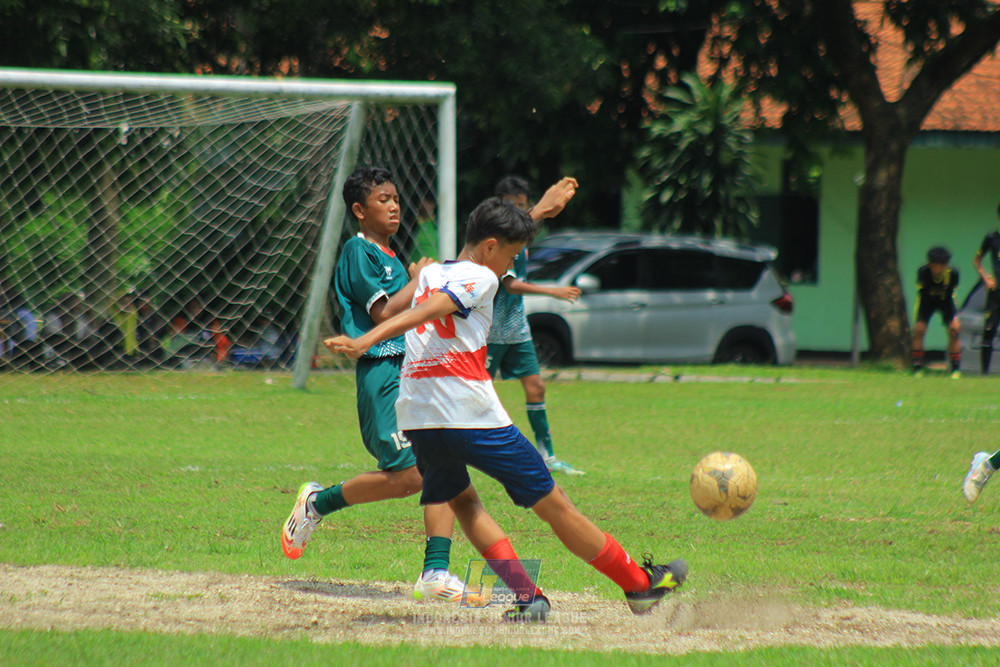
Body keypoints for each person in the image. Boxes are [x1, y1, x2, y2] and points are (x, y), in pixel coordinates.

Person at [325, 197, 687, 621]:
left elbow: (439, 286)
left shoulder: (431, 272)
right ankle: (639, 585)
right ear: (491, 247)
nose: (508, 268)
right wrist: (368, 340)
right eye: (511, 257)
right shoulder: (482, 276)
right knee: (556, 505)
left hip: (420, 419)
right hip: (470, 416)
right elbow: (436, 307)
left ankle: (526, 596)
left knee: (465, 502)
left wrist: (537, 212)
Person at [281, 166, 464, 602]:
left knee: (441, 465)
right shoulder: (358, 252)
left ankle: (436, 572)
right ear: (360, 211)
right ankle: (317, 504)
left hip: (413, 371)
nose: (395, 205)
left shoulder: (393, 258)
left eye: (396, 198)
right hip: (383, 374)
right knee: (408, 475)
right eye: (384, 199)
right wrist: (419, 280)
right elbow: (384, 315)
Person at [488, 175, 584, 475]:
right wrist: (553, 290)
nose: (518, 212)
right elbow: (510, 285)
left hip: (516, 328)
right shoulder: (497, 241)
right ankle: (471, 451)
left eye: (522, 205)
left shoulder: (523, 242)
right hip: (489, 330)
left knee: (536, 386)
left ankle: (548, 458)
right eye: (511, 206)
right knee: (478, 393)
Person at [911, 246, 961, 378]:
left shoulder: (953, 273)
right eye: (935, 266)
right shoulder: (923, 272)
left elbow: (953, 295)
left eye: (941, 266)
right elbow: (921, 295)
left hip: (945, 301)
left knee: (954, 330)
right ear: (930, 264)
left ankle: (955, 369)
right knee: (919, 330)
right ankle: (917, 367)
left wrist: (954, 317)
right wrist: (920, 318)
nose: (938, 270)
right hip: (927, 302)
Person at [973, 204, 1000, 374]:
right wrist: (986, 278)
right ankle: (984, 373)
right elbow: (977, 260)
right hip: (996, 291)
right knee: (989, 329)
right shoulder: (992, 238)